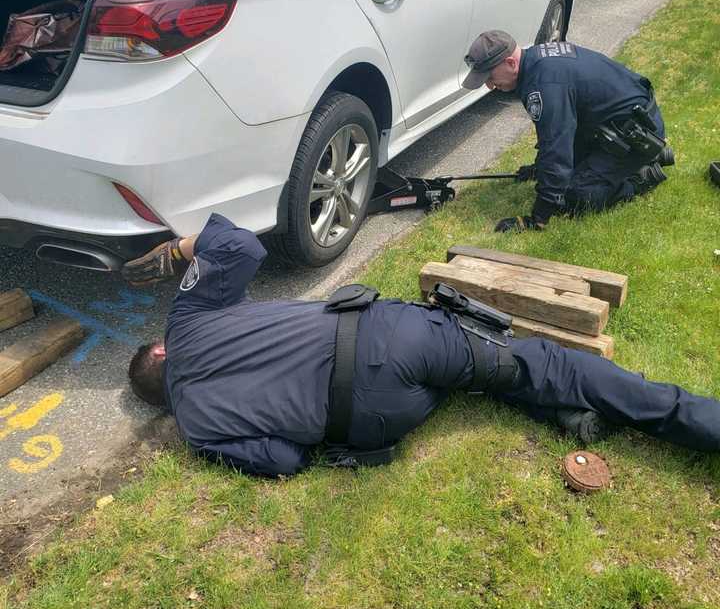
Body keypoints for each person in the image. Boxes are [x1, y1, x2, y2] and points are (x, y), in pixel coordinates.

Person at [125, 213, 720, 478]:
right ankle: (689, 418)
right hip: (390, 339)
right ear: (160, 352)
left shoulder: (198, 432)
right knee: (536, 361)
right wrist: (178, 251)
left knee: (482, 379)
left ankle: (563, 411)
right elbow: (239, 247)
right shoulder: (186, 325)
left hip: (378, 420)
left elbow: (283, 461)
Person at [462, 30, 674, 233]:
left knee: (575, 196)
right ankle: (648, 157)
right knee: (563, 174)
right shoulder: (537, 60)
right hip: (616, 126)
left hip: (634, 134)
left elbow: (556, 149)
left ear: (510, 63)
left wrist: (539, 218)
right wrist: (538, 169)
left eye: (490, 76)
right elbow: (557, 133)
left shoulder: (544, 85)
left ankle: (642, 177)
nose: (490, 86)